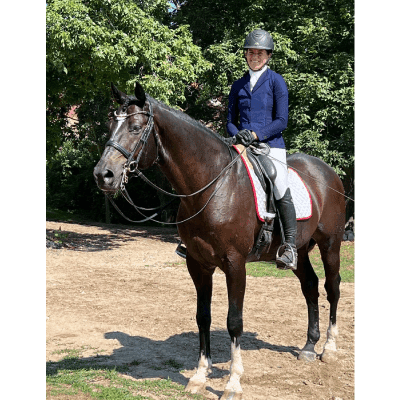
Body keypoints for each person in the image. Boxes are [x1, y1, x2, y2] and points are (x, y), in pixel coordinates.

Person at [226, 29, 297, 270]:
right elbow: (229, 119)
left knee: (278, 182)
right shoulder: (238, 85)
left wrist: (256, 134)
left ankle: (290, 246)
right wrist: (238, 134)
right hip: (241, 145)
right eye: (250, 52)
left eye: (259, 53)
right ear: (245, 55)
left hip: (270, 145)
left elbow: (282, 120)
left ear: (268, 56)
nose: (254, 56)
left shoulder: (276, 81)